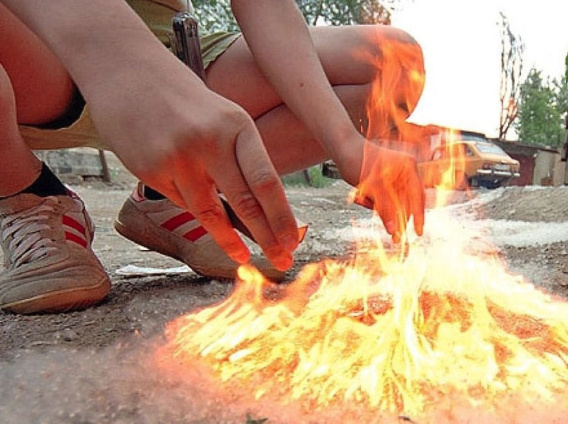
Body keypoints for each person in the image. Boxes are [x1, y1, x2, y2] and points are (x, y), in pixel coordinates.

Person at [0, 0, 426, 314]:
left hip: (177, 54)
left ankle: (171, 192)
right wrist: (119, 67)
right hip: (31, 59)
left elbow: (265, 9)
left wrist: (346, 143)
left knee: (393, 64)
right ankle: (24, 192)